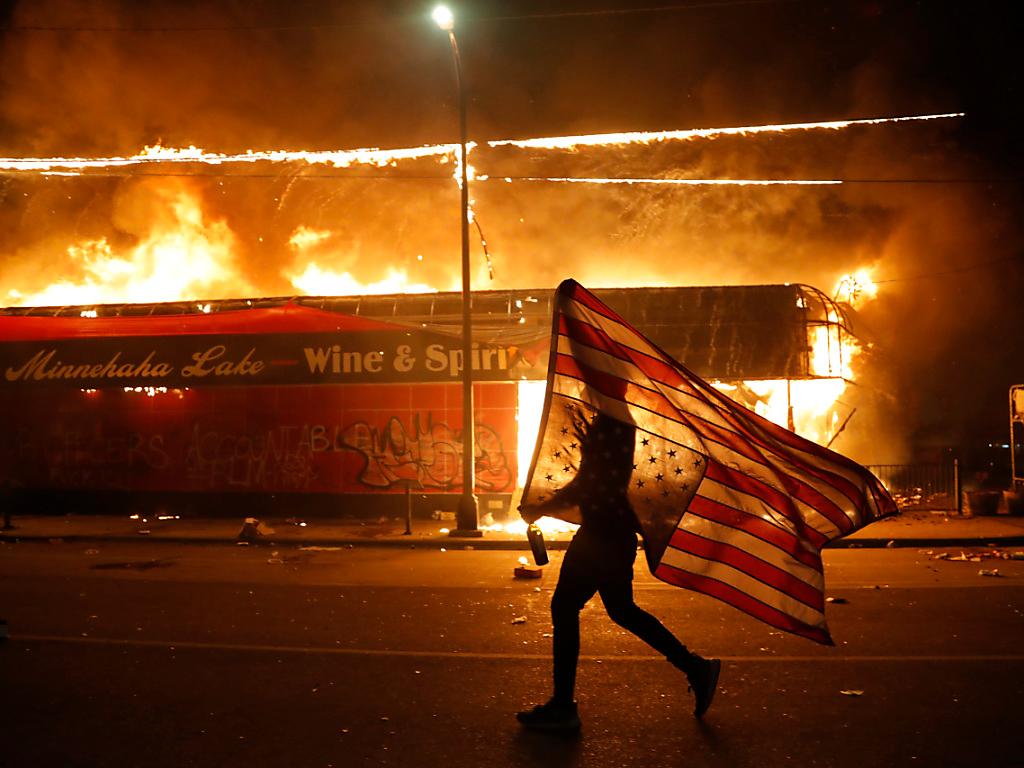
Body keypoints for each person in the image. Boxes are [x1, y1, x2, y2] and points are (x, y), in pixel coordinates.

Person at [517, 409, 720, 731]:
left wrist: (542, 508)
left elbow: (590, 483)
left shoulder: (612, 421)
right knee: (621, 610)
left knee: (566, 607)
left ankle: (563, 707)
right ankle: (695, 667)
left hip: (602, 535)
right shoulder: (613, 418)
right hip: (612, 533)